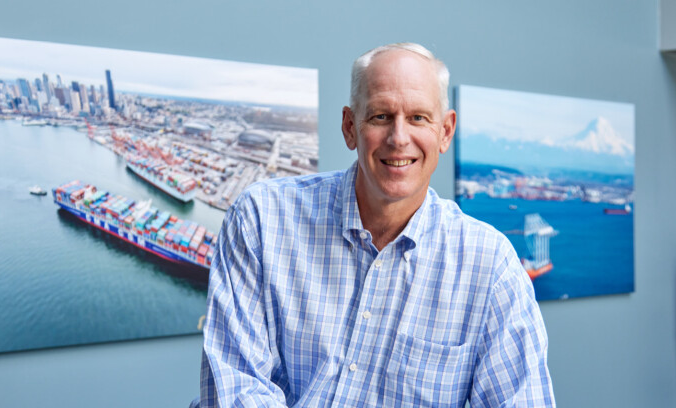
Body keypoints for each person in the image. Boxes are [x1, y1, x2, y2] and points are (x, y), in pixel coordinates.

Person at [194, 43, 555, 407]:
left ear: (445, 132)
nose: (399, 139)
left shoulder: (490, 267)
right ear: (350, 127)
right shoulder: (261, 218)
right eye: (381, 116)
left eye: (418, 118)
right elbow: (236, 391)